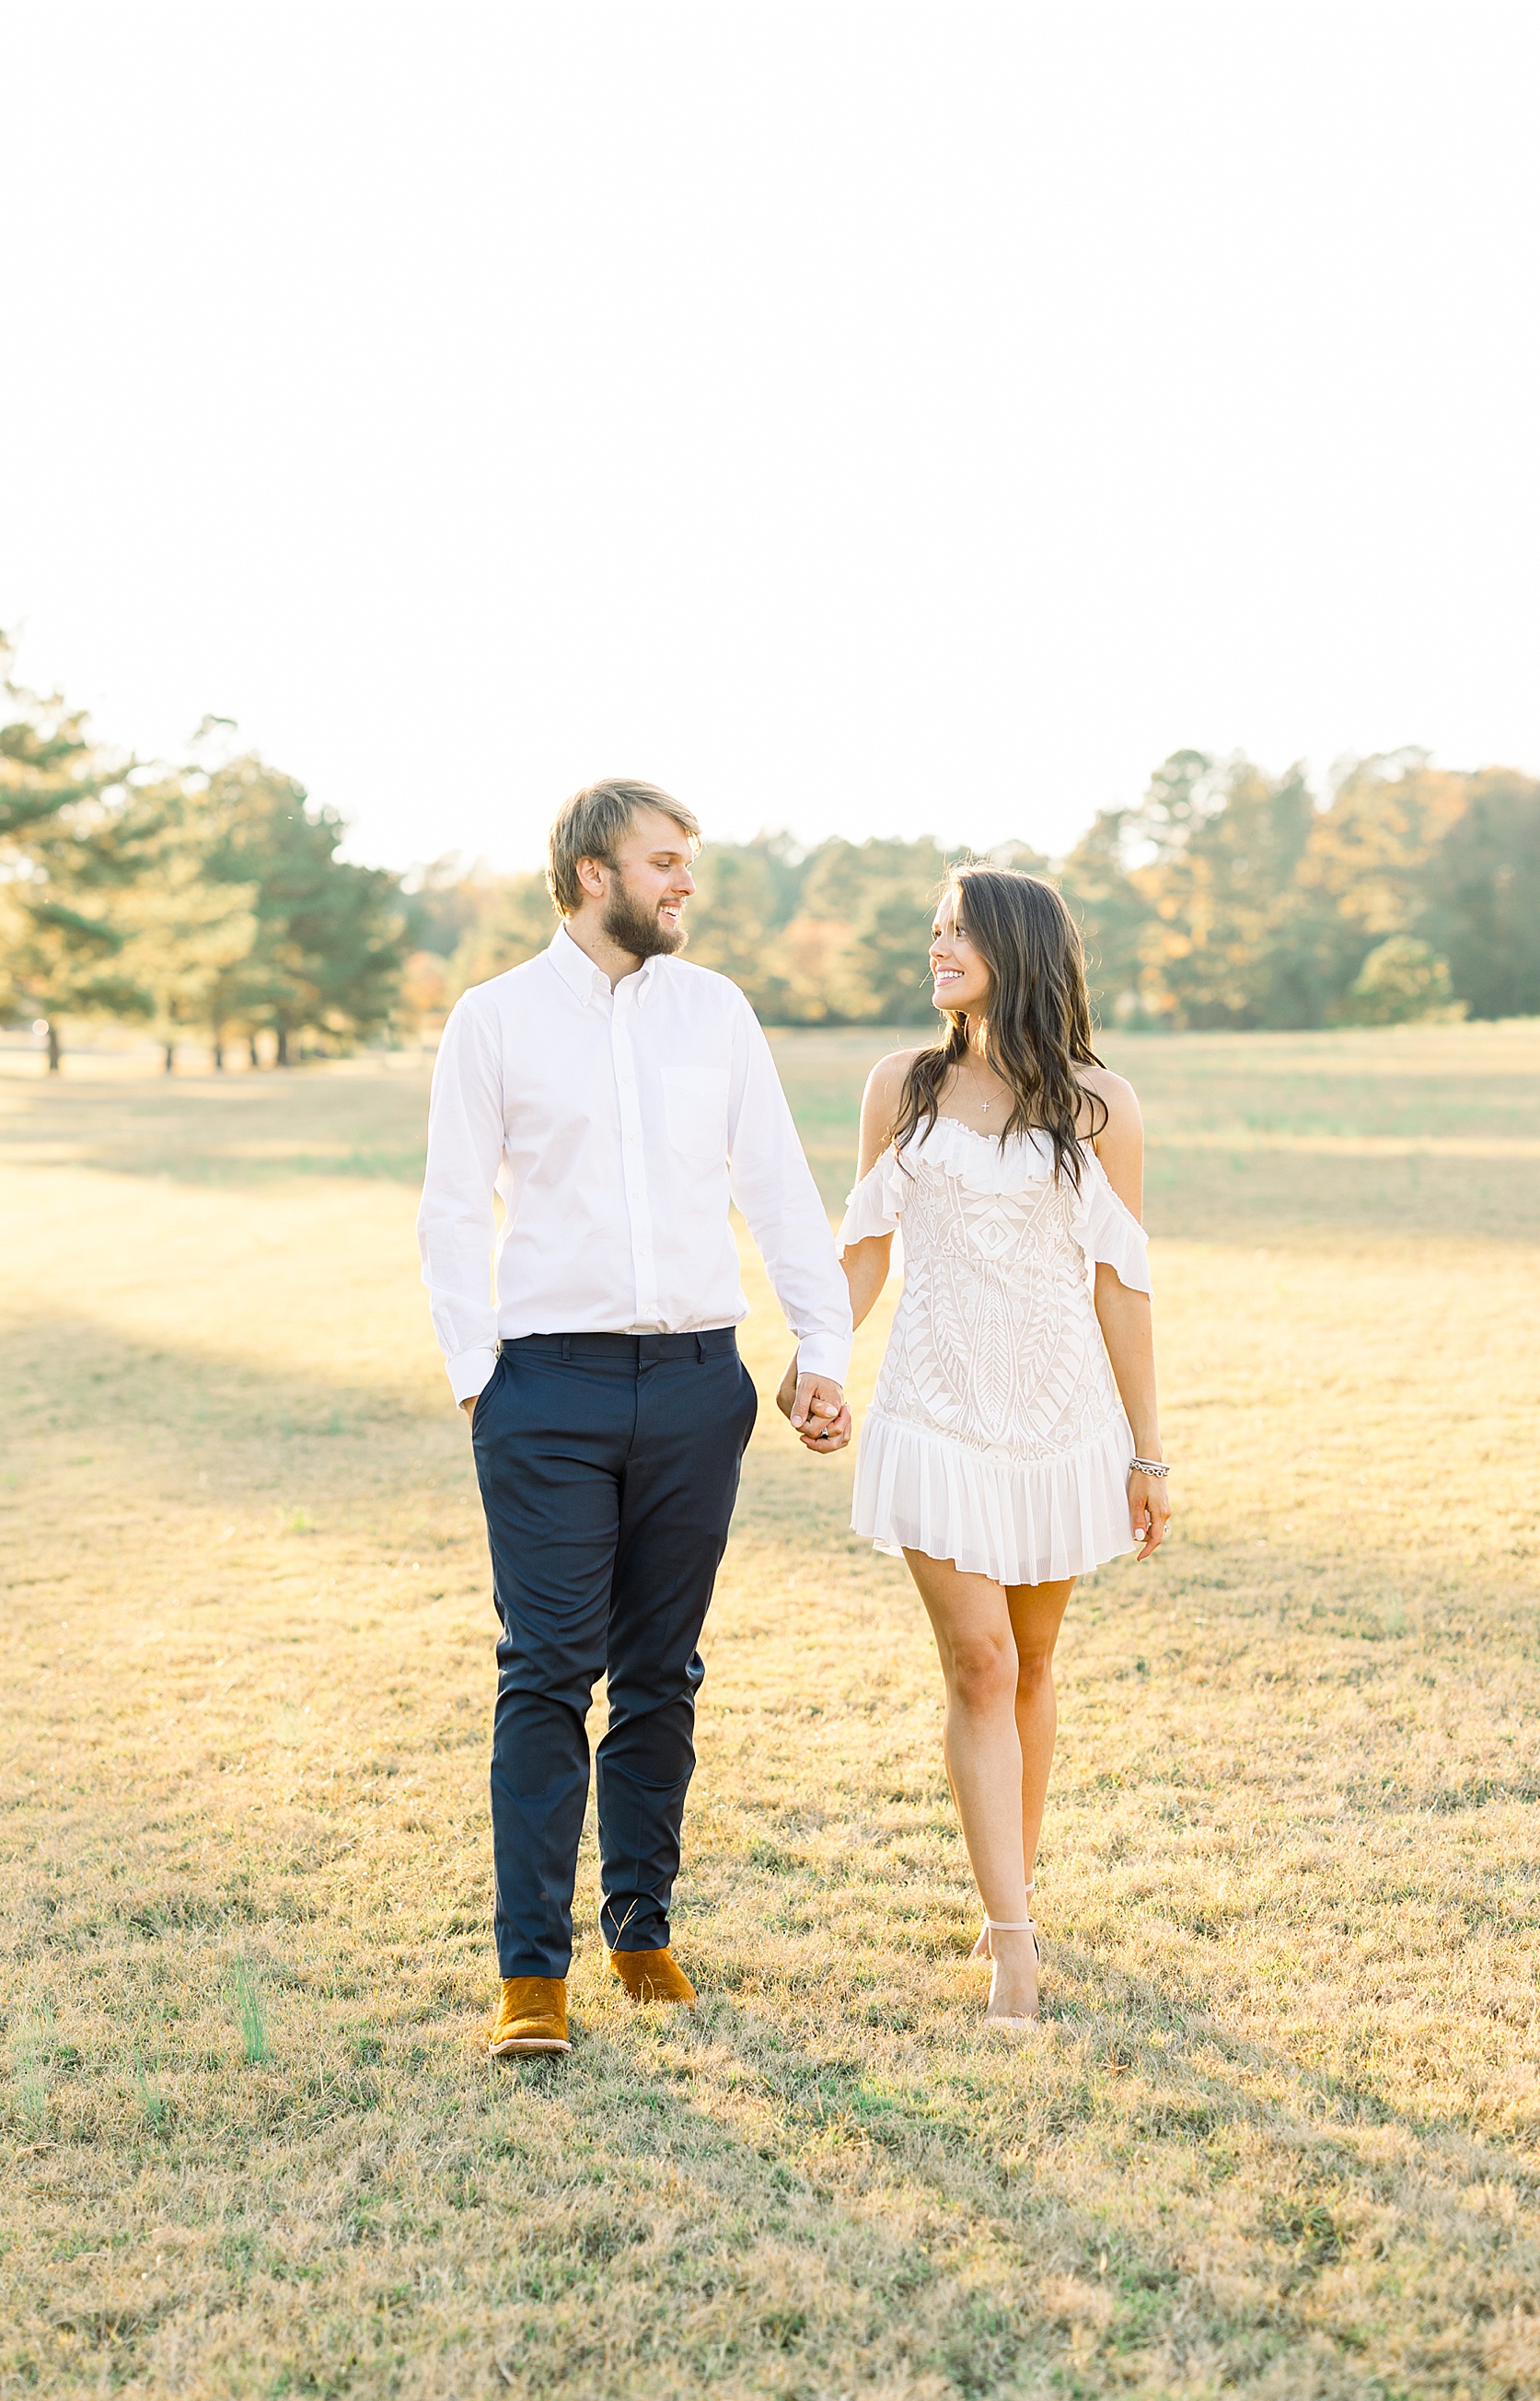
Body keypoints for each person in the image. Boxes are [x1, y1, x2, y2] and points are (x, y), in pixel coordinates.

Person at [417, 780, 853, 2059]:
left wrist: (817, 1344)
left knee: (662, 1670)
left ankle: (642, 1927)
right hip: (542, 1387)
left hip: (695, 1387)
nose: (685, 885)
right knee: (547, 1670)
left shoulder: (715, 1011)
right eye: (666, 862)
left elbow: (777, 1184)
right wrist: (474, 1375)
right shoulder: (491, 1020)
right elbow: (450, 1209)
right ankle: (531, 1977)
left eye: (688, 865)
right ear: (591, 873)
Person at [788, 866, 1169, 2024]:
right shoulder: (900, 1085)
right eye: (936, 930)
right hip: (933, 1412)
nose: (937, 946)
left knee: (1038, 1665)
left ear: (1017, 946)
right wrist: (817, 1355)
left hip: (1058, 1421)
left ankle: (1015, 1883)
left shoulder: (1102, 1104)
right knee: (983, 1664)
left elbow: (1123, 1286)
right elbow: (864, 1247)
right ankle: (1013, 1941)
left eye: (958, 931)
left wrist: (1148, 1452)